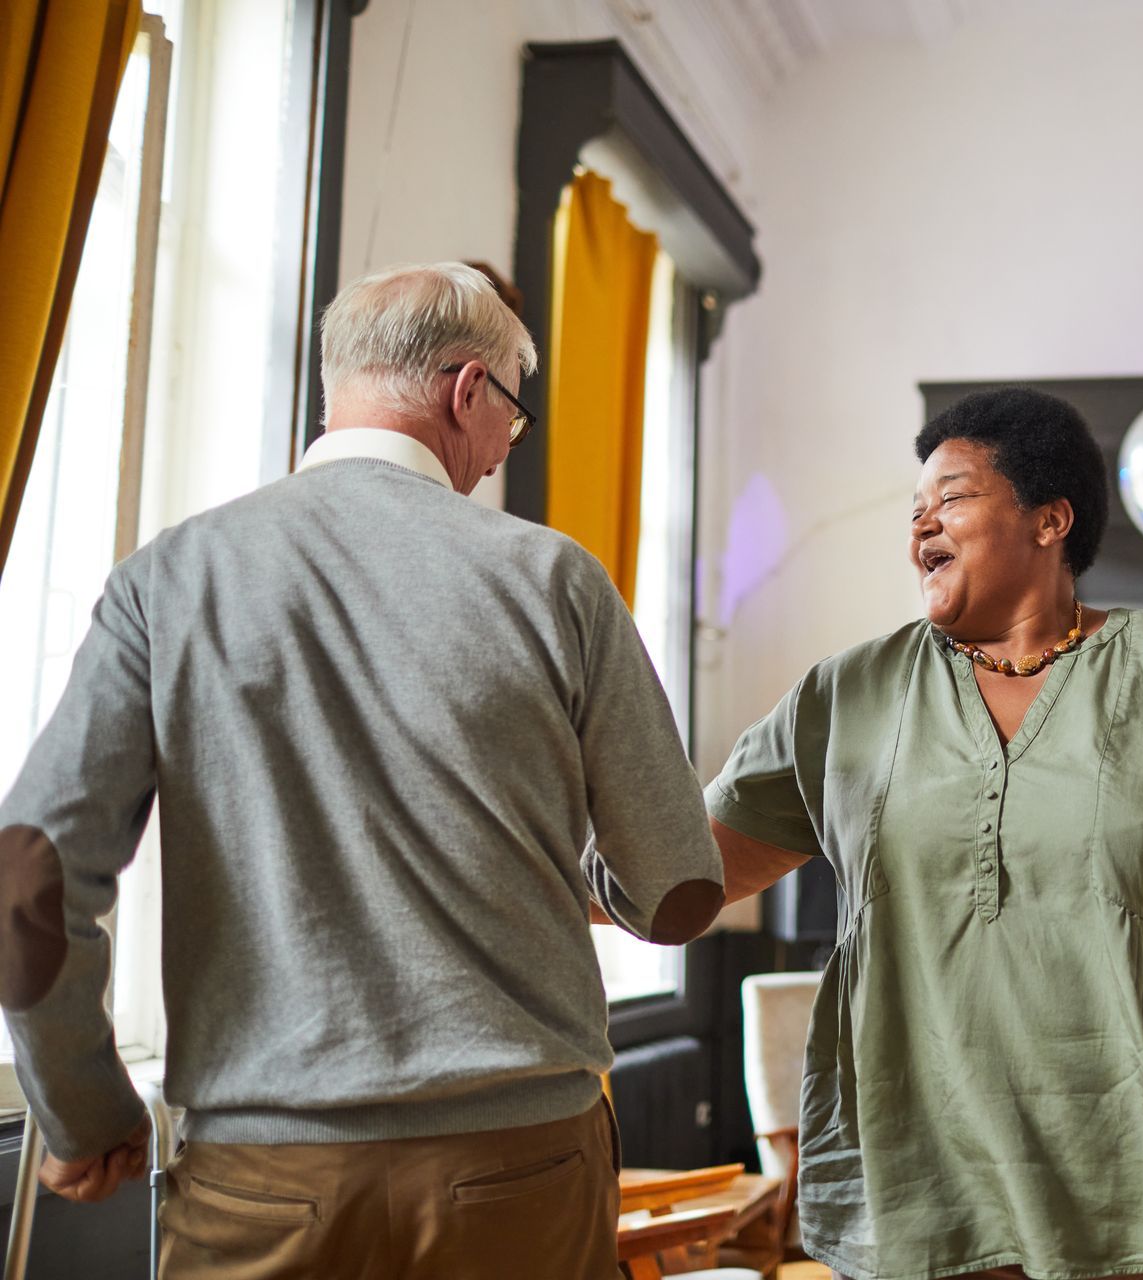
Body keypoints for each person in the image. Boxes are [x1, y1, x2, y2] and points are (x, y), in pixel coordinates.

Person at [0, 262, 724, 1279]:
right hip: (518, 1162)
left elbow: (26, 873)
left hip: (263, 1173)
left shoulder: (169, 577)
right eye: (509, 422)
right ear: (468, 391)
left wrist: (83, 1104)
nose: (495, 457)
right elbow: (679, 891)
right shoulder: (553, 577)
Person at [703, 387, 1143, 1280]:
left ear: (1051, 519)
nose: (923, 526)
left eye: (955, 497)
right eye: (916, 510)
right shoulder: (846, 695)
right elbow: (690, 870)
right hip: (922, 1181)